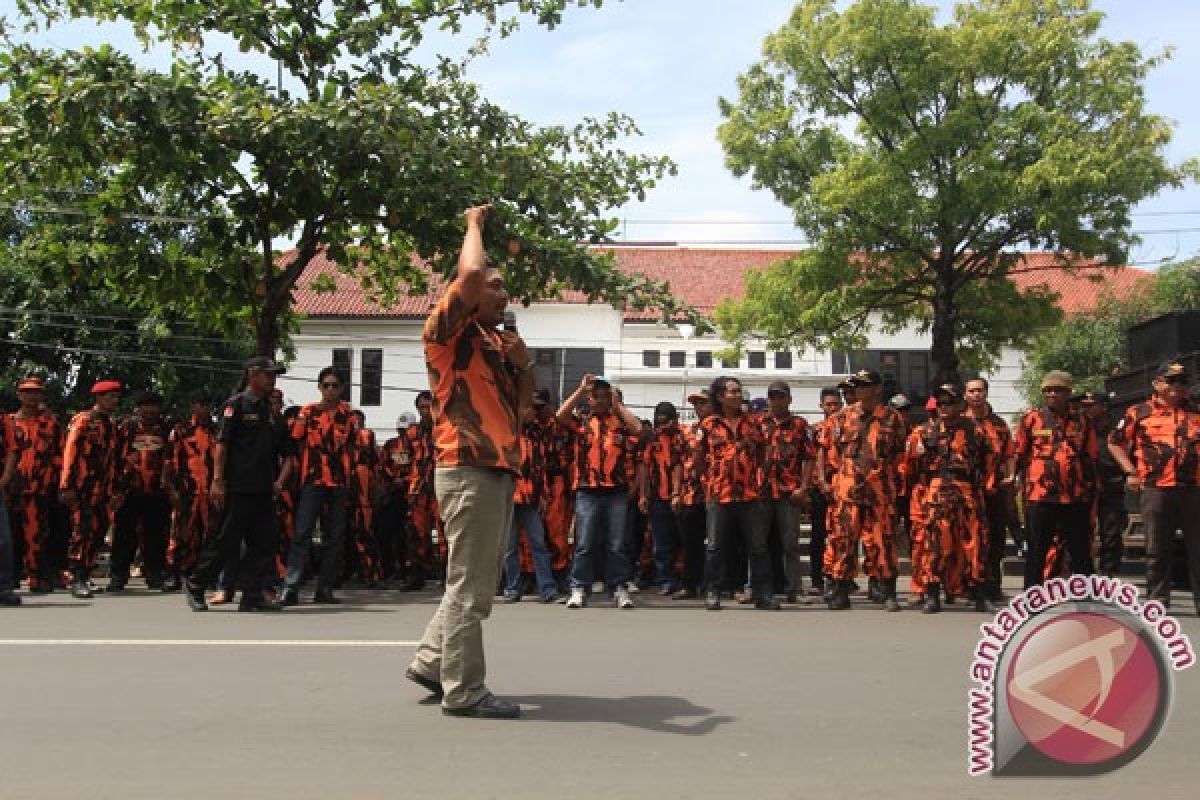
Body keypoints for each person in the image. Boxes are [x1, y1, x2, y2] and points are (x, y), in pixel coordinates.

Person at [405, 204, 531, 719]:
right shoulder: (446, 333)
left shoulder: (494, 345)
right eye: (495, 286)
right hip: (468, 466)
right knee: (472, 587)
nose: (502, 294)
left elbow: (522, 411)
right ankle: (464, 690)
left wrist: (522, 366)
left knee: (473, 580)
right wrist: (473, 223)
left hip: (497, 468)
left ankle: (433, 662)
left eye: (505, 289)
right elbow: (472, 273)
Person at [185, 357, 293, 612]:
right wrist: (218, 481)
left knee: (263, 545)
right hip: (237, 487)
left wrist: (280, 482)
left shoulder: (272, 414)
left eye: (274, 375)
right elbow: (221, 446)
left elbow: (288, 453)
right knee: (225, 542)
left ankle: (252, 595)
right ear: (252, 375)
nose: (272, 379)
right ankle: (196, 584)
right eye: (268, 374)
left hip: (264, 489)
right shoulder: (236, 406)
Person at [1108, 362, 1200, 611]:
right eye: (1171, 381)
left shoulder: (1196, 412)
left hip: (1194, 489)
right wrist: (1131, 471)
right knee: (1157, 549)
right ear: (1157, 384)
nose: (1177, 387)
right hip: (1156, 488)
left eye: (1182, 381)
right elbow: (1115, 443)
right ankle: (1158, 600)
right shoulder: (1139, 412)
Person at [819, 370, 907, 611]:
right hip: (847, 488)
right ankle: (839, 588)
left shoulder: (892, 418)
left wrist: (897, 485)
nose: (860, 389)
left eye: (865, 385)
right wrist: (827, 481)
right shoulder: (840, 418)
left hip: (880, 488)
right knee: (843, 539)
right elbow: (827, 452)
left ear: (877, 388)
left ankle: (886, 589)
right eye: (857, 385)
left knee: (883, 539)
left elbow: (900, 454)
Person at [906, 385, 994, 613]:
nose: (945, 408)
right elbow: (911, 465)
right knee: (935, 543)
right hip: (936, 489)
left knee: (974, 544)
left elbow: (989, 462)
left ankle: (978, 592)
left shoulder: (976, 430)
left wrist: (983, 485)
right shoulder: (924, 432)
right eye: (941, 403)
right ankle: (932, 593)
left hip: (967, 489)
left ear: (960, 405)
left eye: (950, 403)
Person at [557, 374, 643, 609]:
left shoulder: (621, 424)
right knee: (584, 542)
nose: (601, 400)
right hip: (588, 490)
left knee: (617, 543)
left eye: (606, 396)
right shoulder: (582, 422)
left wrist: (618, 405)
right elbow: (560, 416)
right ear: (590, 399)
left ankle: (618, 587)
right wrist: (580, 390)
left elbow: (637, 428)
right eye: (596, 396)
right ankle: (578, 587)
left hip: (616, 490)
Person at [695, 376, 777, 611]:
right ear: (720, 397)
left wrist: (757, 476)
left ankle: (764, 594)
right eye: (732, 391)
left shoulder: (753, 424)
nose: (737, 394)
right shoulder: (708, 425)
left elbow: (763, 453)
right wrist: (708, 480)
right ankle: (713, 591)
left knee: (758, 546)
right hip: (719, 494)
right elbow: (698, 458)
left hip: (749, 495)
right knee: (715, 546)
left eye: (739, 390)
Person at [279, 367, 359, 605]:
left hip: (339, 482)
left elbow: (354, 450)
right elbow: (293, 445)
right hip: (313, 480)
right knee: (302, 533)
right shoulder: (308, 412)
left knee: (334, 537)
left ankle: (325, 588)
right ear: (319, 387)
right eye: (326, 385)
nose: (330, 390)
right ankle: (290, 586)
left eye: (335, 385)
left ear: (342, 388)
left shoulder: (349, 416)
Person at [1013, 370, 1098, 588]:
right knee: (1036, 551)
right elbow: (1019, 454)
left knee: (1080, 552)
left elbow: (1090, 456)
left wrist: (1091, 491)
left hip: (1075, 497)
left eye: (1058, 390)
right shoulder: (1032, 419)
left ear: (1069, 393)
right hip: (1040, 496)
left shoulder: (1082, 420)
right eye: (1048, 390)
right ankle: (1031, 599)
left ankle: (1086, 597)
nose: (1052, 394)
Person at [60, 379, 123, 599]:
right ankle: (76, 577)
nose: (114, 401)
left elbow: (115, 460)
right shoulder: (83, 421)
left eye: (116, 397)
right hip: (83, 488)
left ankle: (85, 574)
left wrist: (116, 490)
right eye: (110, 397)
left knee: (98, 532)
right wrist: (66, 485)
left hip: (104, 490)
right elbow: (70, 453)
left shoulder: (112, 425)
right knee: (82, 532)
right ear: (98, 398)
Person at [109, 391, 172, 591]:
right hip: (129, 489)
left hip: (157, 490)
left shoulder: (166, 429)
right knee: (124, 535)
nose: (149, 410)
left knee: (156, 535)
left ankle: (154, 574)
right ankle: (118, 575)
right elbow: (115, 457)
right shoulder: (126, 428)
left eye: (153, 405)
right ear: (138, 408)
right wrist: (116, 488)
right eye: (145, 405)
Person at [6, 376, 63, 594]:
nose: (32, 396)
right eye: (27, 392)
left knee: (37, 534)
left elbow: (61, 454)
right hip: (11, 488)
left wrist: (58, 483)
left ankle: (37, 577)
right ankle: (9, 580)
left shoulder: (51, 424)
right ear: (19, 395)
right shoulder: (8, 423)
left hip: (40, 488)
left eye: (36, 392)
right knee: (9, 535)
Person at [760, 381, 812, 603]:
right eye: (773, 397)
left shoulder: (800, 425)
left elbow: (809, 458)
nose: (776, 401)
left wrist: (804, 487)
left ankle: (795, 589)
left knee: (791, 544)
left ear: (789, 399)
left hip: (789, 492)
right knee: (757, 543)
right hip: (761, 491)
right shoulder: (757, 423)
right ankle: (757, 588)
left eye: (781, 397)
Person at [964, 377, 1016, 602]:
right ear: (965, 395)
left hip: (993, 490)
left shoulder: (999, 425)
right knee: (968, 538)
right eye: (971, 391)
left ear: (986, 393)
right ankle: (968, 585)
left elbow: (1009, 454)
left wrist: (1011, 476)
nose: (976, 394)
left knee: (995, 539)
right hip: (966, 490)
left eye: (980, 390)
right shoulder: (959, 423)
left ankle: (993, 584)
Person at [501, 410, 558, 603]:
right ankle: (512, 588)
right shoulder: (506, 436)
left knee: (538, 544)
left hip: (531, 499)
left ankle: (547, 589)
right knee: (510, 548)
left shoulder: (537, 440)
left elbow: (540, 470)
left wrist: (542, 494)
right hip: (510, 498)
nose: (528, 415)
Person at [162, 394, 216, 592]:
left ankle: (201, 576)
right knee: (180, 534)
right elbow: (168, 462)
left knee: (209, 535)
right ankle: (172, 574)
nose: (204, 408)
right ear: (193, 406)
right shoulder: (180, 431)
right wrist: (171, 488)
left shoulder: (217, 431)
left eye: (207, 404)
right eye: (200, 404)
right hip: (186, 490)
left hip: (210, 492)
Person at [638, 401, 686, 596]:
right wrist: (643, 495)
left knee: (683, 541)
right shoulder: (651, 439)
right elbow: (643, 467)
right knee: (661, 541)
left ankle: (684, 579)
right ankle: (665, 579)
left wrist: (677, 492)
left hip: (682, 497)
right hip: (658, 497)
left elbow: (680, 465)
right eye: (660, 421)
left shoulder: (682, 438)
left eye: (667, 421)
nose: (664, 425)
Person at [1077, 391, 1127, 578]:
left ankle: (1108, 574)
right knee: (1082, 532)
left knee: (1111, 533)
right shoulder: (1078, 426)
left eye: (1091, 405)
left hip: (1110, 485)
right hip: (1085, 486)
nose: (1086, 409)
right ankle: (1084, 575)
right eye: (1084, 405)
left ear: (1104, 406)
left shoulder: (1118, 428)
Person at [808, 387, 843, 599]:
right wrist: (819, 481)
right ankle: (816, 578)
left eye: (835, 404)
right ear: (821, 406)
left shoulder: (848, 426)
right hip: (820, 487)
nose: (832, 408)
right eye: (828, 404)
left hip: (843, 485)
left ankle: (839, 576)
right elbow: (811, 457)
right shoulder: (814, 430)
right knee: (818, 534)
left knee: (840, 533)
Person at [0, 411, 21, 605]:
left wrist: (5, 479)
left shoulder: (2, 419)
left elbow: (13, 450)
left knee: (3, 542)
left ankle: (4, 588)